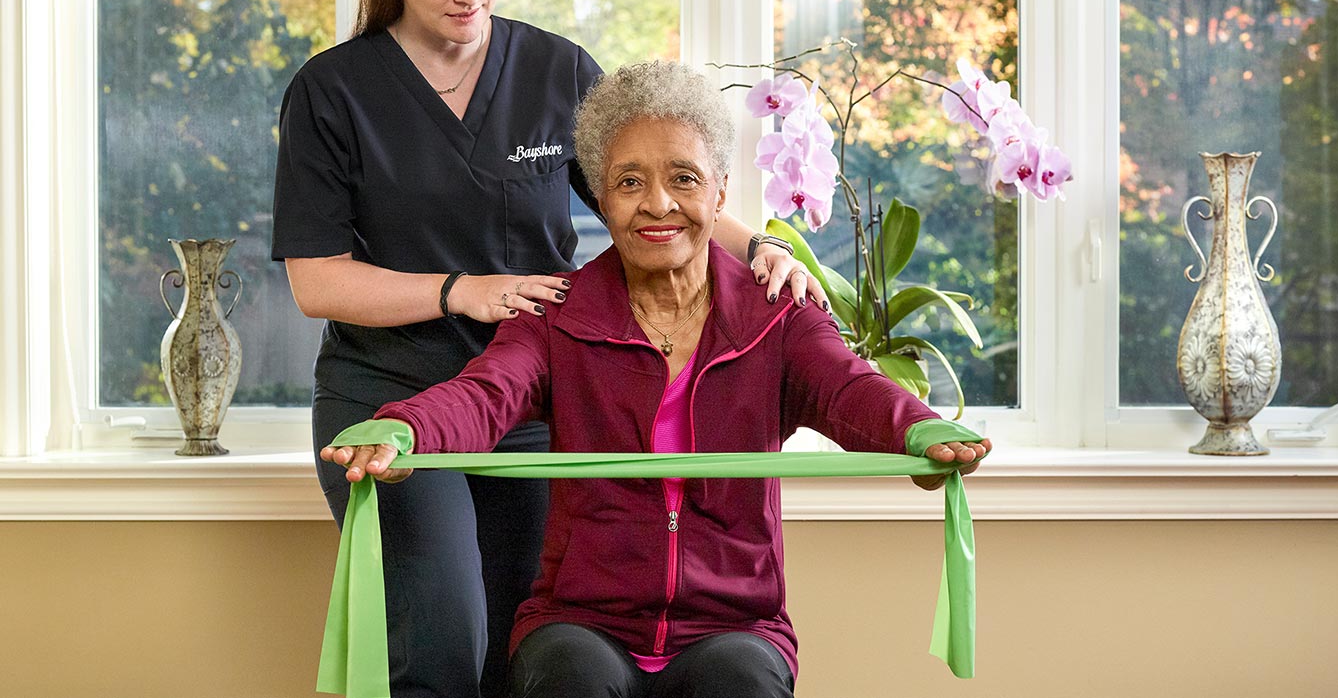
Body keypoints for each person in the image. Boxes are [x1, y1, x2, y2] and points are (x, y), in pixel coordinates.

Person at [271, 0, 822, 697]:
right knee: (443, 643)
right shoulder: (332, 92)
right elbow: (318, 281)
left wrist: (759, 251)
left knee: (528, 652)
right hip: (392, 405)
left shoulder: (556, 71)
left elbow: (654, 188)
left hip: (533, 405)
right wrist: (460, 291)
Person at [322, 61, 991, 698]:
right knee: (567, 675)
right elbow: (485, 393)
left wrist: (922, 432)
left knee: (741, 681)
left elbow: (850, 390)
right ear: (601, 198)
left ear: (721, 191)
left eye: (684, 178)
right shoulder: (558, 317)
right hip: (581, 617)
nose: (658, 204)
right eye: (630, 181)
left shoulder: (776, 318)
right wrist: (404, 428)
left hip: (733, 622)